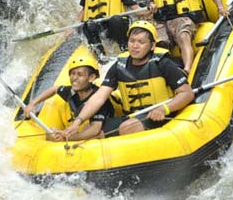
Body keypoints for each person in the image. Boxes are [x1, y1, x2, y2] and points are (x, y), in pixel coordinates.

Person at [62, 21, 194, 139]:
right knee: (91, 130)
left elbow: (186, 93)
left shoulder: (163, 63)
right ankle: (68, 139)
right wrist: (77, 121)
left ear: (152, 45)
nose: (135, 46)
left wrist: (164, 109)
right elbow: (99, 97)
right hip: (132, 116)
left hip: (161, 115)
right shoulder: (119, 66)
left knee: (128, 127)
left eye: (141, 42)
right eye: (132, 41)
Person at [23, 54, 115, 141]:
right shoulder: (72, 92)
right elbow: (54, 89)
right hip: (81, 129)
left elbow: (95, 129)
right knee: (51, 134)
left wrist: (67, 138)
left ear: (91, 78)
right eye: (72, 73)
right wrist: (32, 104)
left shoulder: (99, 98)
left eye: (79, 75)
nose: (74, 78)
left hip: (101, 134)